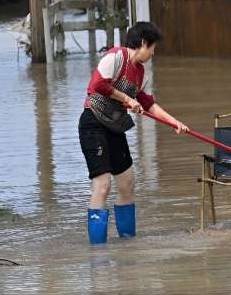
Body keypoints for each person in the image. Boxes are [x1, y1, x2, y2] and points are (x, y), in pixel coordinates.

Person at [79, 22, 188, 244]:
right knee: (103, 185)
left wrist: (173, 122)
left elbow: (147, 103)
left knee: (127, 181)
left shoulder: (140, 72)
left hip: (114, 127)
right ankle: (98, 252)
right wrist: (128, 99)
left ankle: (128, 244)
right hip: (94, 123)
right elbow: (98, 84)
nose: (153, 52)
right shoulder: (115, 57)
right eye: (153, 47)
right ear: (142, 44)